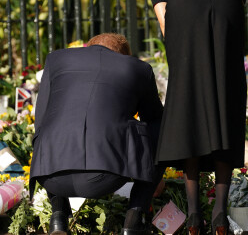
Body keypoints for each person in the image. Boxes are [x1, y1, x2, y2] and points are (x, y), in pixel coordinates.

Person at [144, 0, 246, 234]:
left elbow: (164, 16)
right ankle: (219, 215)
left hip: (185, 18)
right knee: (225, 103)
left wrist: (181, 58)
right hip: (228, 19)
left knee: (188, 106)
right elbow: (238, 4)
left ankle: (192, 215)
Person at [29, 33, 164, 235]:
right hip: (105, 177)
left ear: (88, 48)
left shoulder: (56, 60)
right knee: (159, 125)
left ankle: (58, 216)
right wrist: (152, 173)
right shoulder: (138, 68)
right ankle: (135, 218)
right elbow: (154, 122)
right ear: (124, 56)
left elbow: (40, 122)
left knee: (48, 127)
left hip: (50, 176)